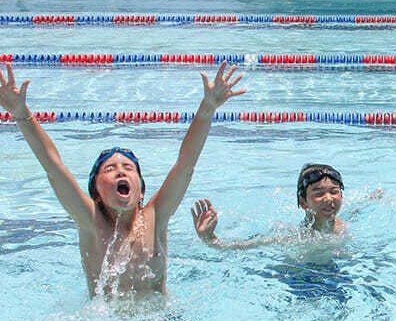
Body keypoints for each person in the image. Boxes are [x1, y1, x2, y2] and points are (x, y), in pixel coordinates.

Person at [0, 61, 244, 299]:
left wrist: (208, 107)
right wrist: (21, 114)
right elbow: (53, 167)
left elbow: (185, 164)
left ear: (140, 192)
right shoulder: (89, 220)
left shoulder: (156, 216)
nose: (121, 172)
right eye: (110, 169)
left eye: (128, 167)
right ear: (95, 191)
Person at [191, 164, 350, 250]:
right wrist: (210, 238)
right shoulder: (297, 237)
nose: (329, 198)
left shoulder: (343, 225)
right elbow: (243, 246)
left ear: (341, 196)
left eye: (334, 191)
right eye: (319, 193)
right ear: (303, 202)